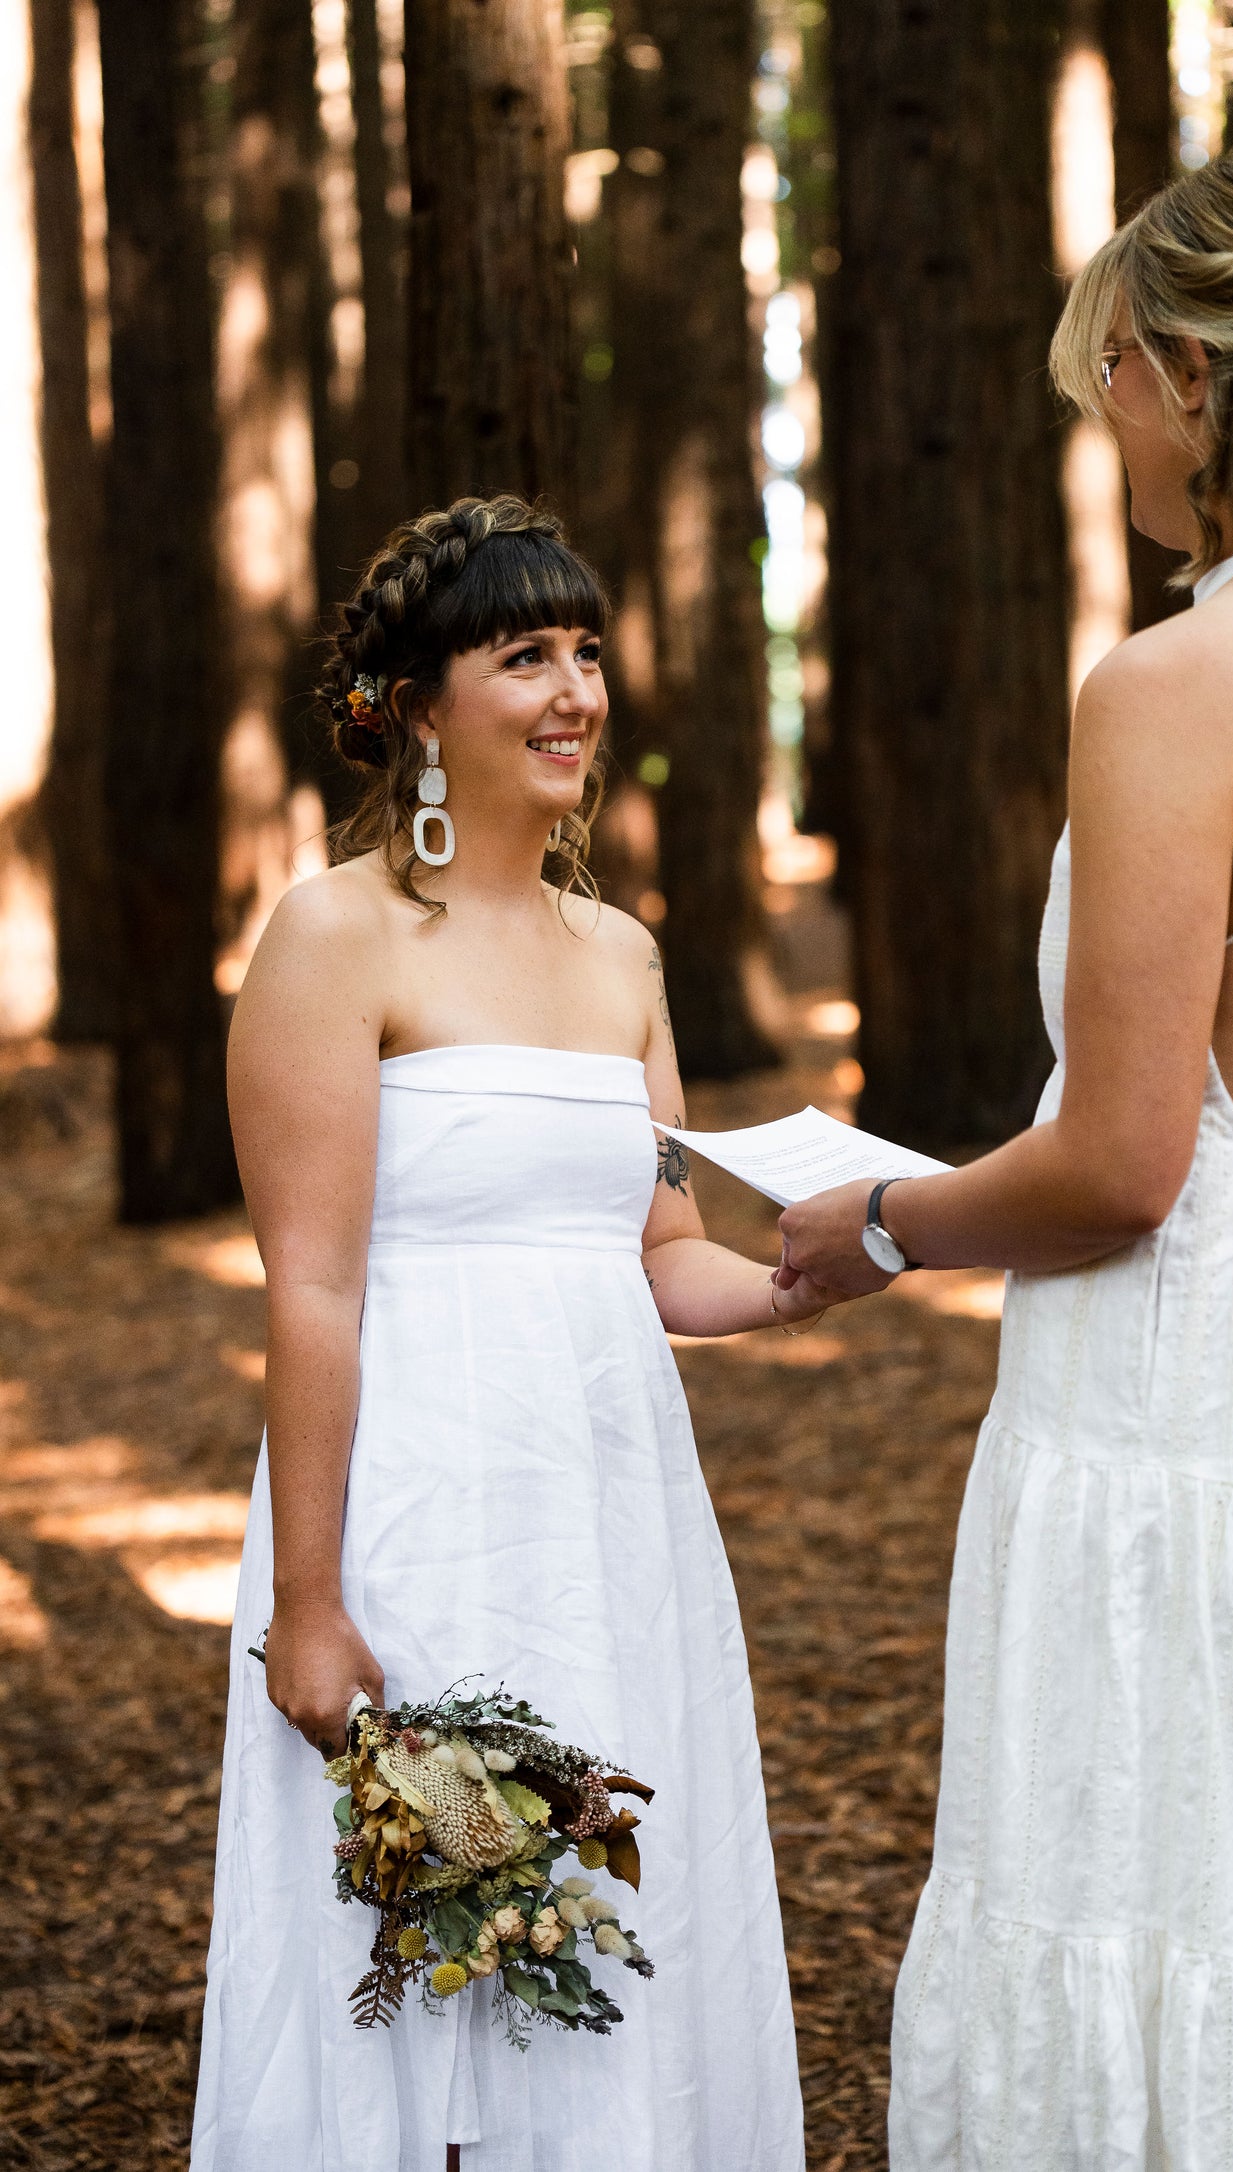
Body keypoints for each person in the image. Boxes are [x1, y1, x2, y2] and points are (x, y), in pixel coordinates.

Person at [777, 142, 1233, 2166]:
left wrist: (872, 1224)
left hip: (1179, 1407)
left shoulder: (1175, 689)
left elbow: (1129, 1164)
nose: (1102, 427)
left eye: (1110, 382)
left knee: (1143, 1891)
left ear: (1194, 376)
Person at [191, 496, 832, 2172]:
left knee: (610, 1892)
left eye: (587, 652)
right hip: (415, 1502)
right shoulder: (334, 936)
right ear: (414, 706)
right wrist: (312, 1602)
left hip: (611, 1506)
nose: (574, 692)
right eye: (522, 654)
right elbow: (313, 1286)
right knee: (433, 1917)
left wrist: (800, 1281)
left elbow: (664, 1249)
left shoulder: (621, 954)